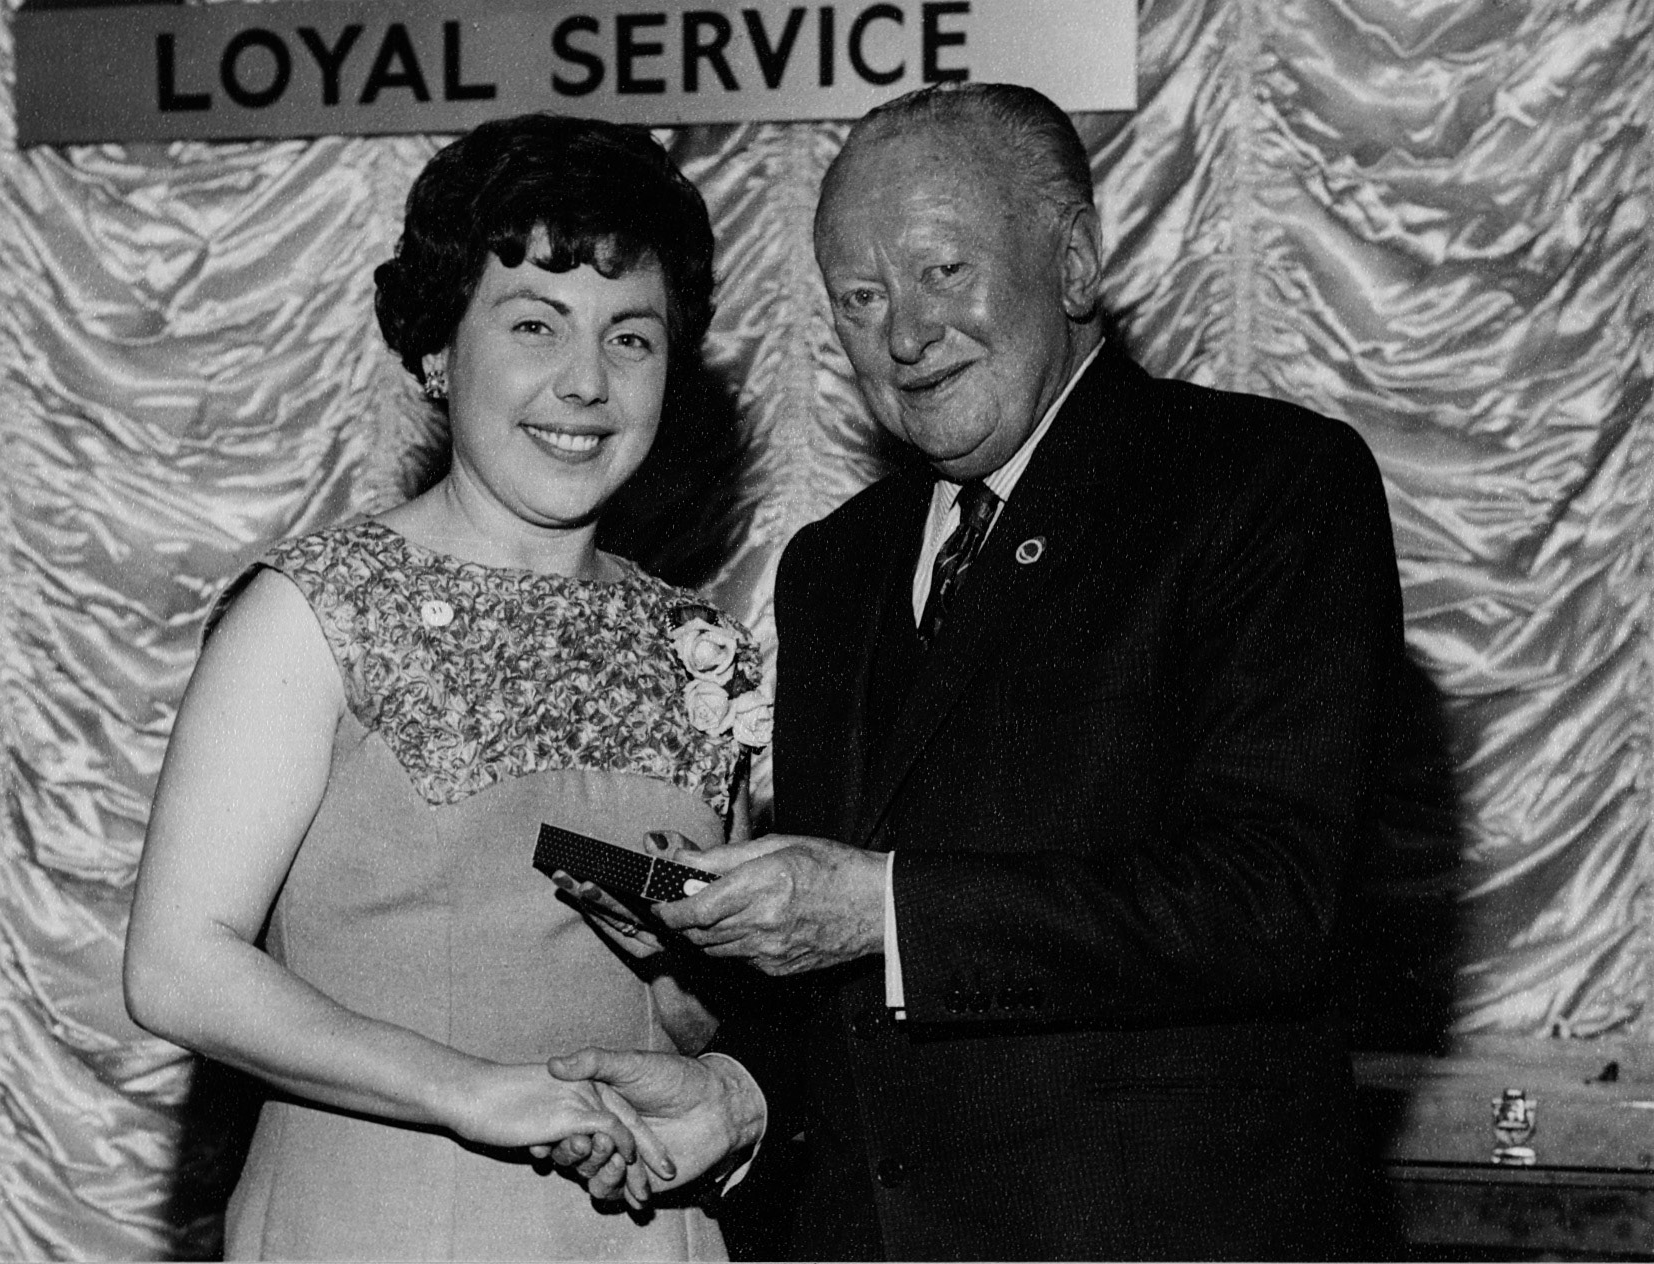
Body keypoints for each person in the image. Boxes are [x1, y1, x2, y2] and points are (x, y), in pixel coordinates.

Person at [545, 81, 1405, 1260]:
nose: (903, 333)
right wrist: (743, 1081)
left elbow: (1269, 901)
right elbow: (852, 998)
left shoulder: (1267, 485)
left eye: (943, 271)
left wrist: (877, 906)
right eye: (859, 297)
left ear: (1075, 264)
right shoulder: (834, 567)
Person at [123, 113, 772, 1261]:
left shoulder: (702, 648)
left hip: (638, 1228)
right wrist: (470, 1089)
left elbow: (685, 1007)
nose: (585, 382)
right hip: (371, 1216)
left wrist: (686, 974)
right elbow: (179, 966)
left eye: (632, 339)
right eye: (534, 325)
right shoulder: (315, 609)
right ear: (436, 348)